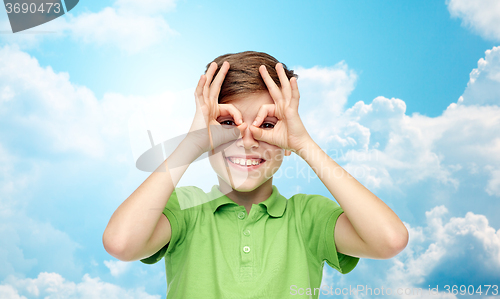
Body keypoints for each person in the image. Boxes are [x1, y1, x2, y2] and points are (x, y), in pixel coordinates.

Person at [102, 51, 409, 298]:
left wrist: (304, 144)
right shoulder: (185, 209)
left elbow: (389, 240)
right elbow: (121, 243)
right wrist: (192, 143)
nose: (247, 141)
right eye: (226, 124)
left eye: (266, 125)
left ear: (286, 141)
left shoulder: (307, 217)